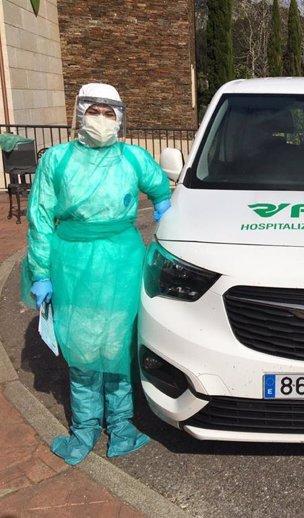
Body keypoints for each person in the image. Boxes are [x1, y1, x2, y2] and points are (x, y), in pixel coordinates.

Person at [23, 83, 172, 465]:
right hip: (72, 263)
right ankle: (86, 425)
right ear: (79, 113)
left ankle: (122, 423)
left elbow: (159, 184)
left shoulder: (133, 158)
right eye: (95, 111)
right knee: (81, 345)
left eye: (110, 113)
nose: (102, 120)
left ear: (120, 117)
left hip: (122, 262)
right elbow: (40, 217)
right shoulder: (56, 160)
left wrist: (164, 209)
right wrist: (41, 272)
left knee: (119, 342)